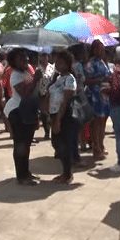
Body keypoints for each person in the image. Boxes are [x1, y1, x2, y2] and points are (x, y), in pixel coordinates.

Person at [3, 48, 43, 186]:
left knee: (26, 144)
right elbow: (24, 93)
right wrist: (35, 79)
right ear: (14, 61)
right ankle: (21, 176)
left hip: (28, 110)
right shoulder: (15, 75)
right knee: (20, 144)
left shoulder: (26, 72)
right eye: (21, 58)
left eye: (25, 57)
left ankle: (26, 172)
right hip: (17, 111)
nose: (25, 60)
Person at [48, 51, 78, 184]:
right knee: (56, 143)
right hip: (54, 113)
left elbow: (65, 101)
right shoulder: (58, 77)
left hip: (64, 114)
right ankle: (65, 172)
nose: (57, 64)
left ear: (67, 64)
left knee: (63, 144)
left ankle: (67, 174)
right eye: (57, 62)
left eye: (61, 62)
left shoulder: (70, 78)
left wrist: (58, 119)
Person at [85, 40, 111, 160]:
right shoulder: (90, 63)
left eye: (103, 48)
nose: (102, 51)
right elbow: (87, 81)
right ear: (94, 50)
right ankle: (96, 147)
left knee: (103, 122)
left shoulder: (103, 62)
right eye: (99, 48)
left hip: (104, 96)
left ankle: (101, 144)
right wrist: (100, 80)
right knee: (96, 123)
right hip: (95, 96)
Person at [37, 53, 56, 140]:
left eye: (45, 56)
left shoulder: (52, 68)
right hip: (42, 93)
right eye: (42, 56)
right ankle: (47, 132)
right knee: (44, 114)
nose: (44, 58)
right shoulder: (38, 69)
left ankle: (54, 131)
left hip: (52, 93)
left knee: (52, 113)